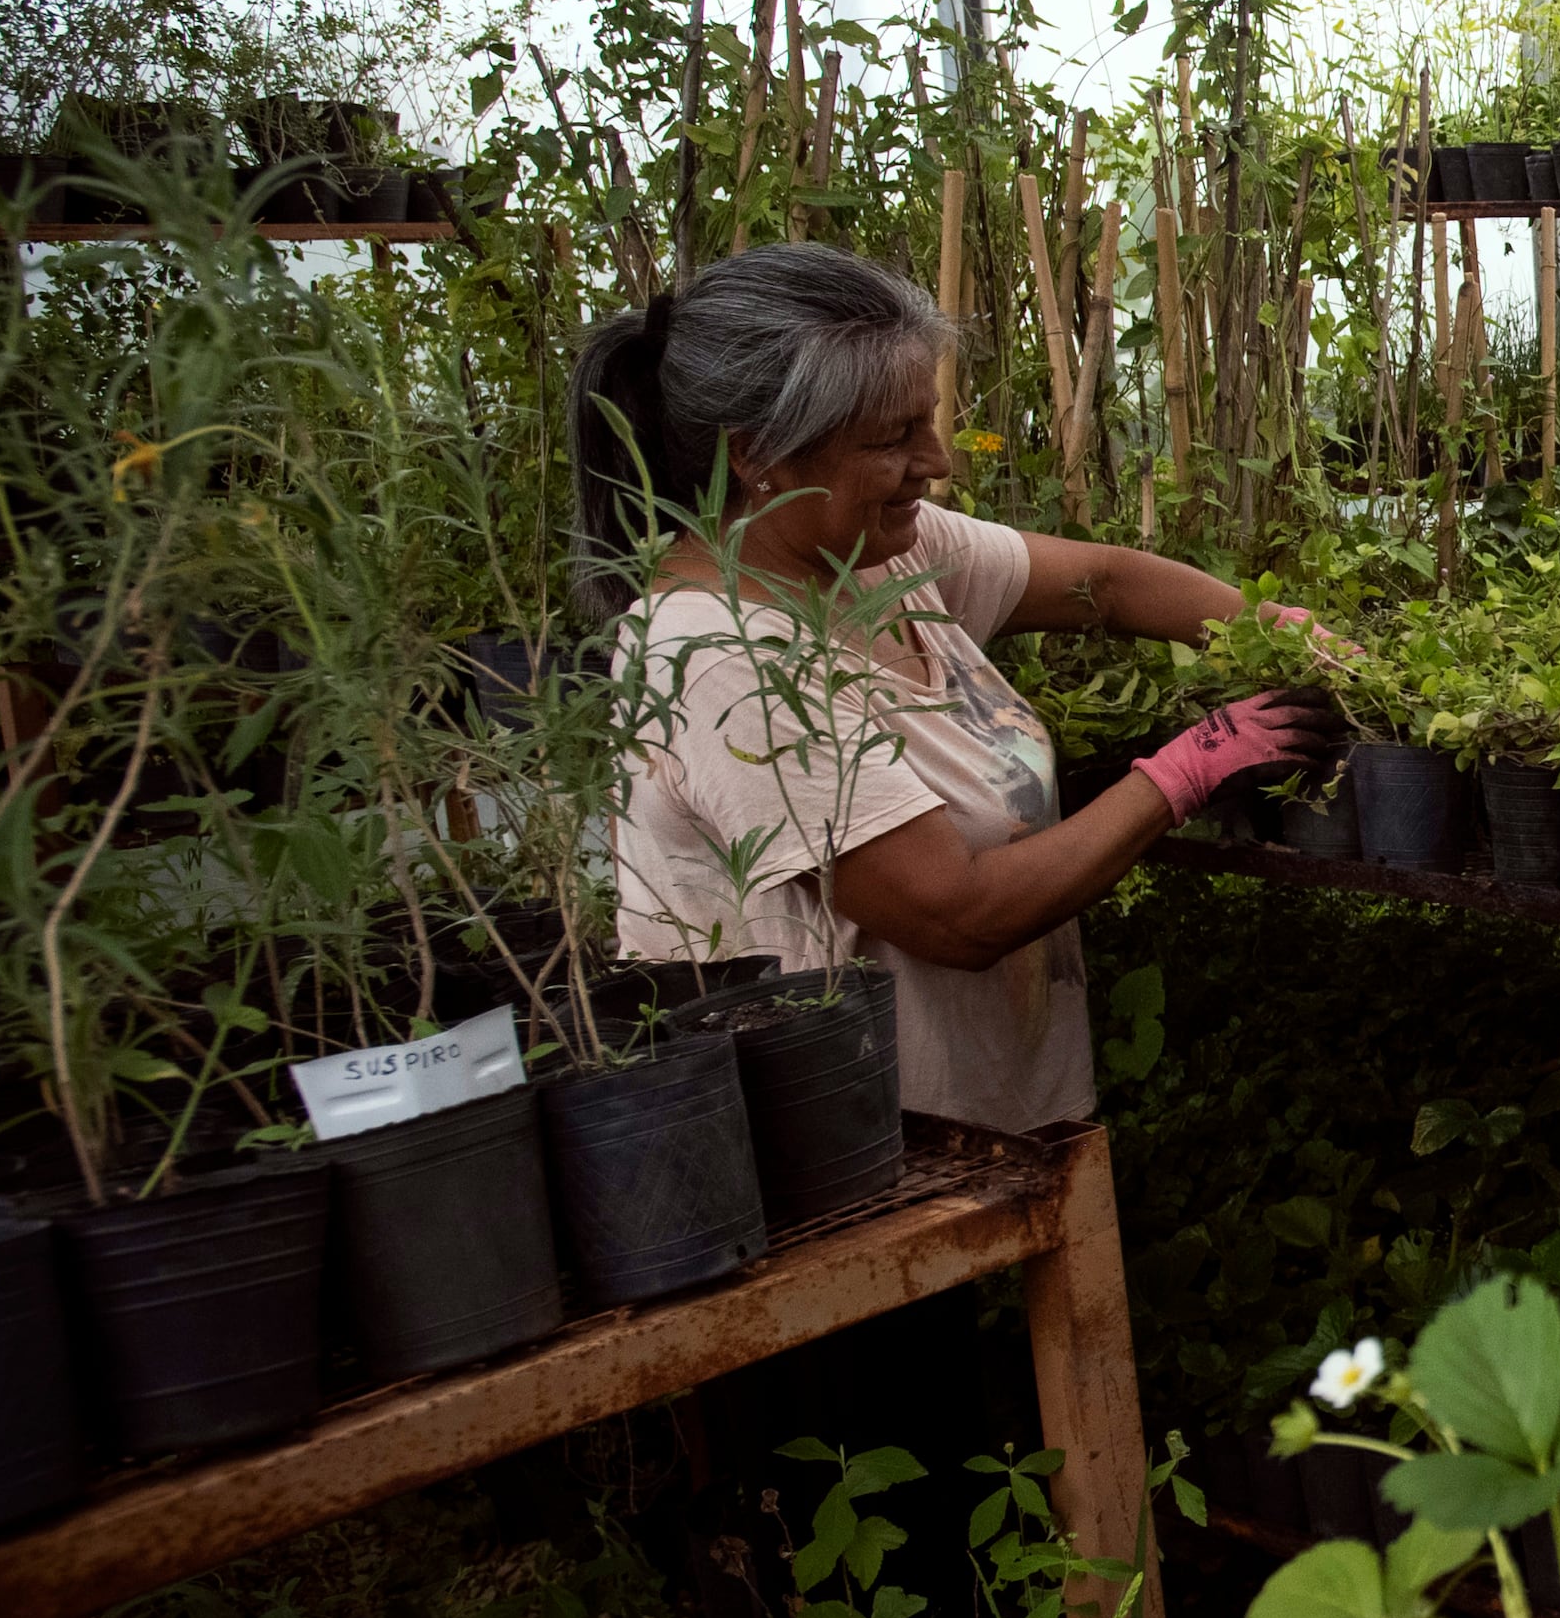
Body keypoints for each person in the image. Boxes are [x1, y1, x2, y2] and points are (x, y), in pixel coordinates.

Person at [574, 245, 1345, 1134]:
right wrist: (1186, 770)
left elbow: (1106, 580)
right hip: (840, 1152)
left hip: (978, 1129)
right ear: (758, 455)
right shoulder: (717, 655)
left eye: (928, 422)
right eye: (893, 438)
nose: (935, 460)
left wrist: (1274, 626)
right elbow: (957, 913)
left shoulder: (874, 552)